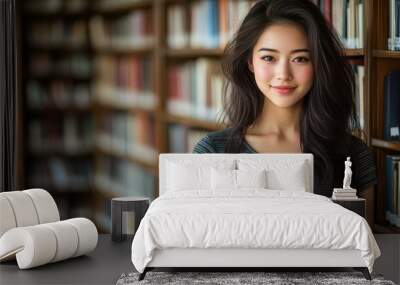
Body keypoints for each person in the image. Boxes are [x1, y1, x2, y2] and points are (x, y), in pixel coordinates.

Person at [192, 0, 377, 226]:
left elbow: (366, 249)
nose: (283, 74)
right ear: (250, 61)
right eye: (269, 57)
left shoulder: (354, 155)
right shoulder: (212, 152)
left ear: (318, 64)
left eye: (300, 59)